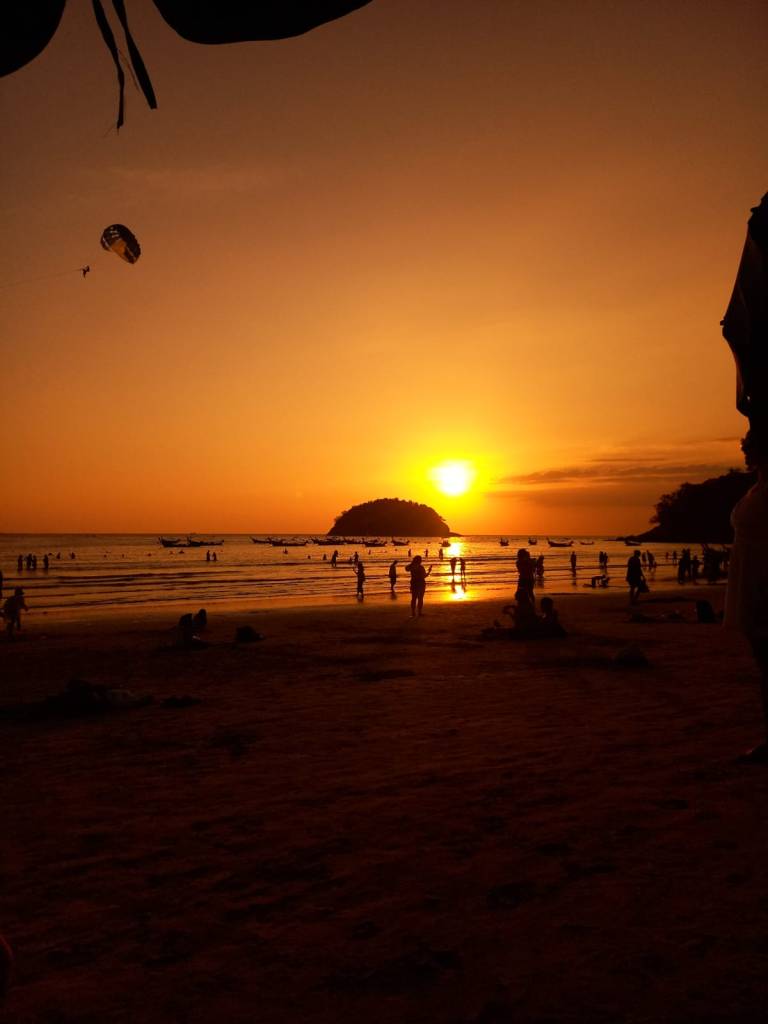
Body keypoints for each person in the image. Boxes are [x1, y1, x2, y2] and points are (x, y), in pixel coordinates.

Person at [724, 428, 768, 762]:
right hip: (748, 581)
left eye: (751, 447)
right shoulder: (755, 488)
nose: (745, 453)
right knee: (762, 664)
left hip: (763, 584)